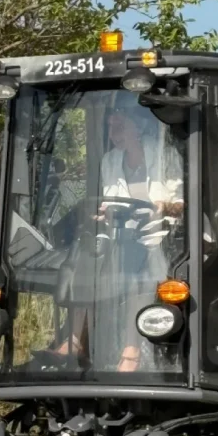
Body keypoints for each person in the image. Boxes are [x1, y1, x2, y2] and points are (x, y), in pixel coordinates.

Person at [52, 94, 186, 372]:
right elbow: (112, 202)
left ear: (138, 127)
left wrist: (161, 207)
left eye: (119, 126)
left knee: (135, 262)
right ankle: (75, 339)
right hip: (121, 234)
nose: (113, 133)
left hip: (164, 236)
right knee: (83, 253)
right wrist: (104, 213)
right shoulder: (111, 160)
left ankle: (130, 351)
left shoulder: (164, 155)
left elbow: (182, 206)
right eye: (110, 127)